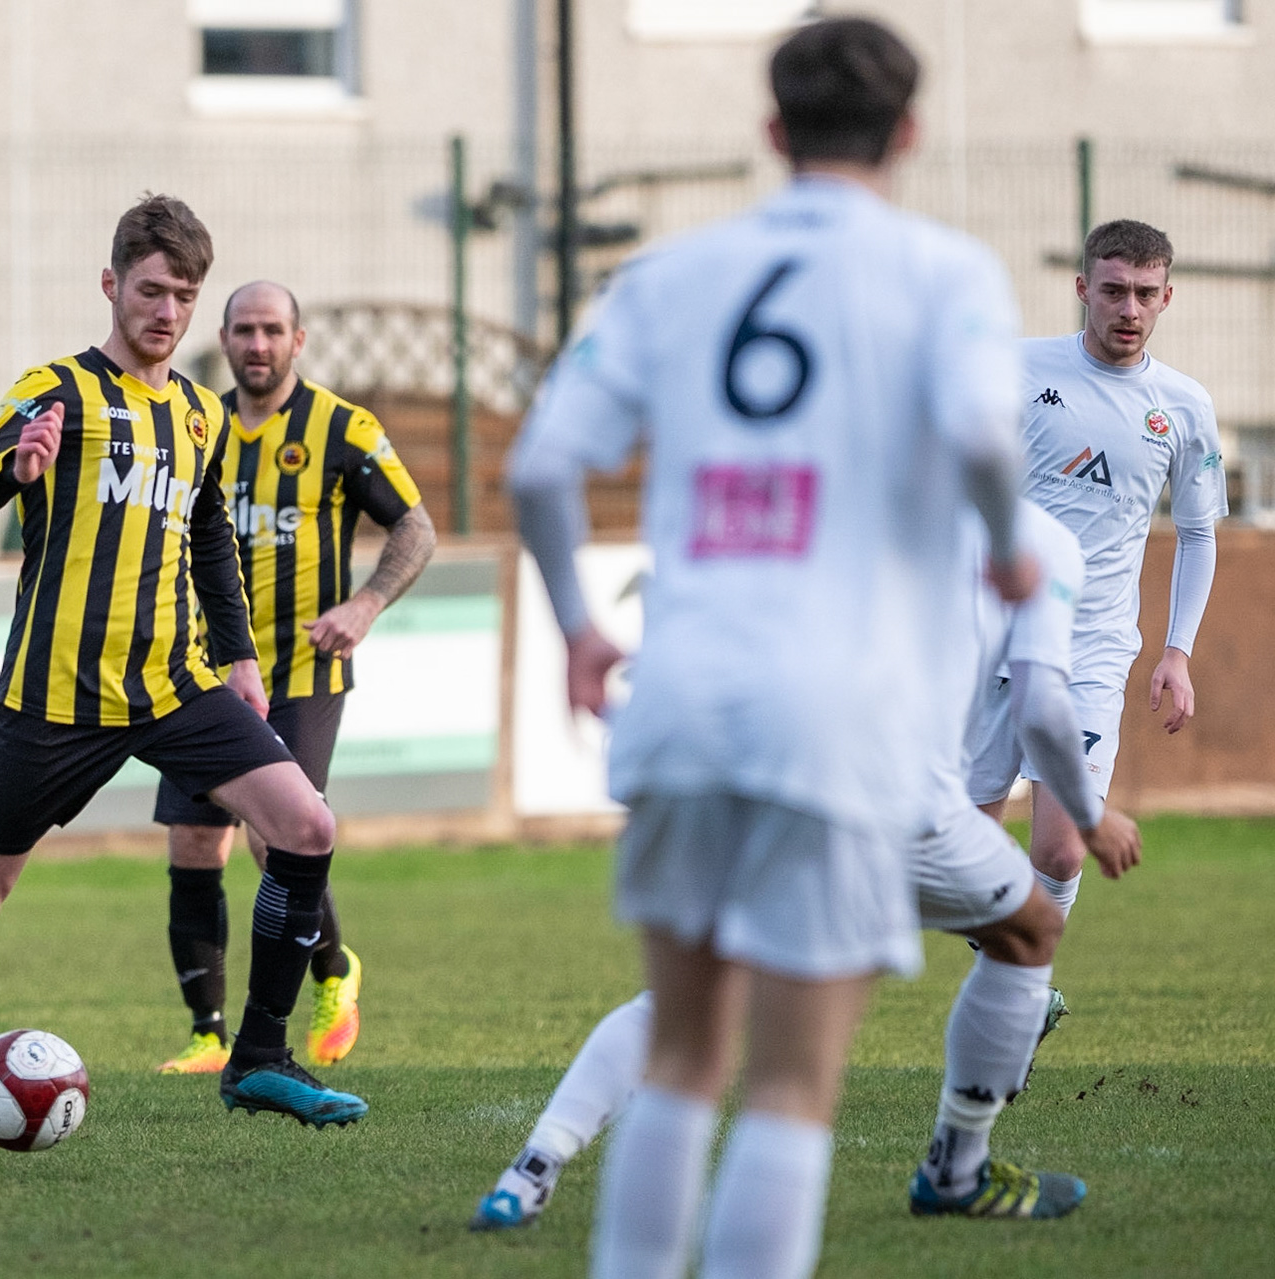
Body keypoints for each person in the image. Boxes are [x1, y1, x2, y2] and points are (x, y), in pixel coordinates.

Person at [508, 18, 1035, 1277]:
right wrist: (1011, 536)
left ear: (768, 131)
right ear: (909, 134)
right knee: (792, 1081)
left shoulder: (668, 275)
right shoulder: (944, 272)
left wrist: (581, 624)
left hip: (682, 697)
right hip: (838, 710)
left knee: (687, 1058)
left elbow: (538, 464)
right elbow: (974, 427)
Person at [0, 196, 368, 1166]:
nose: (166, 310)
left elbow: (209, 535)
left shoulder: (199, 413)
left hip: (175, 683)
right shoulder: (58, 391)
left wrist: (242, 656)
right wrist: (15, 462)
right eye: (151, 289)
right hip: (53, 697)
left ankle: (257, 1055)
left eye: (183, 295)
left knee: (307, 825)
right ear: (112, 285)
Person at [471, 502, 1144, 1231]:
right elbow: (1043, 709)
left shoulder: (847, 496)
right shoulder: (1041, 538)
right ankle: (956, 1169)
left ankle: (532, 1169)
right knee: (1031, 929)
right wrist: (1091, 813)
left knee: (695, 998)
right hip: (901, 801)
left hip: (774, 776)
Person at [154, 280, 435, 1075]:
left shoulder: (343, 428)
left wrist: (368, 604)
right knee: (193, 842)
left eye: (272, 330)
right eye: (244, 329)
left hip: (304, 667)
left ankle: (334, 970)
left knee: (276, 832)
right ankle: (208, 1033)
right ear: (224, 337)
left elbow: (415, 524)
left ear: (298, 341)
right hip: (201, 673)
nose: (257, 344)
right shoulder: (197, 425)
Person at [967, 220, 1226, 929]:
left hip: (1094, 647)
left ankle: (1023, 988)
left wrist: (1177, 650)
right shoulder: (1020, 368)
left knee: (1059, 851)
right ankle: (1011, 973)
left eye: (1145, 293)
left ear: (1168, 296)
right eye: (1114, 291)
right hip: (994, 633)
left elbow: (1199, 530)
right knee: (964, 847)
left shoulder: (1185, 406)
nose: (1129, 309)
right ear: (1084, 288)